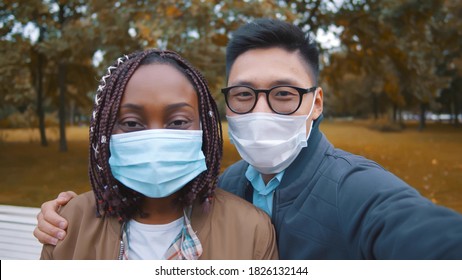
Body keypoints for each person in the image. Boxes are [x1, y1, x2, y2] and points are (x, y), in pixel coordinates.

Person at [35, 19, 462, 260]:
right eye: (244, 94)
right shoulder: (223, 186)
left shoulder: (357, 189)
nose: (260, 111)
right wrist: (71, 211)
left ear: (316, 103)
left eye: (283, 94)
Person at [39, 48, 278, 260]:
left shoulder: (252, 231)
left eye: (178, 122)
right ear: (104, 132)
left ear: (204, 129)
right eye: (132, 123)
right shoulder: (68, 225)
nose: (155, 139)